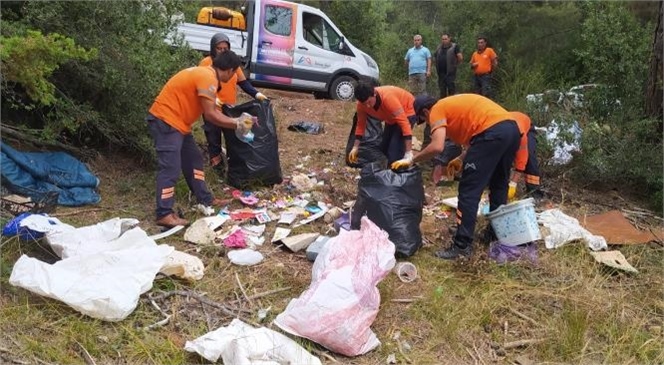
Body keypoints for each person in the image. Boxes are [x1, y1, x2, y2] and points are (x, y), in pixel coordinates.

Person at [397, 94, 520, 260]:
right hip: (511, 130)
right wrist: (460, 159)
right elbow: (479, 134)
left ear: (426, 111)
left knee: (469, 190)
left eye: (424, 119)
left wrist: (412, 159)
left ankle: (462, 245)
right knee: (499, 185)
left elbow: (437, 146)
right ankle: (495, 233)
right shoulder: (454, 107)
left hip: (491, 134)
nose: (429, 124)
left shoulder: (437, 109)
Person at [147, 51, 253, 228]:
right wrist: (237, 124)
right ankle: (164, 213)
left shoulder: (206, 74)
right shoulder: (208, 77)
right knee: (170, 168)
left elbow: (211, 109)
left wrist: (236, 121)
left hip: (179, 124)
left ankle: (205, 199)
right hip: (166, 121)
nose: (234, 77)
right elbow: (211, 115)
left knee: (194, 161)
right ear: (229, 70)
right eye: (234, 73)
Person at [200, 33, 267, 178]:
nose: (222, 51)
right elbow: (201, 84)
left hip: (230, 109)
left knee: (234, 138)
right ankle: (217, 170)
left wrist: (257, 94)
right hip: (213, 108)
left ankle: (235, 168)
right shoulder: (206, 63)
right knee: (214, 139)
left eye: (225, 48)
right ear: (213, 49)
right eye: (219, 48)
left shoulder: (232, 63)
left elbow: (243, 83)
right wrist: (213, 99)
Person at [348, 82, 418, 166]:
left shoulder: (388, 98)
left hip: (407, 111)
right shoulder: (361, 105)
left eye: (369, 102)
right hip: (390, 117)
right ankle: (388, 169)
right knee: (383, 149)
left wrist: (408, 152)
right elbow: (360, 125)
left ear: (374, 94)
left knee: (394, 153)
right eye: (364, 104)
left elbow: (404, 124)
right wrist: (355, 147)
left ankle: (402, 167)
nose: (367, 106)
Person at [509, 111, 543, 199]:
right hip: (510, 123)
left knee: (530, 156)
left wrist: (513, 183)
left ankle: (534, 192)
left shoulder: (520, 135)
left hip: (525, 127)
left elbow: (522, 159)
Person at [434, 33, 463, 98]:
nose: (444, 40)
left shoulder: (454, 46)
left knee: (451, 90)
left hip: (450, 73)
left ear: (449, 39)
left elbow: (460, 57)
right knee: (442, 91)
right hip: (441, 73)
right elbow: (435, 56)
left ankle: (452, 105)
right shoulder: (439, 47)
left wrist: (455, 64)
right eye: (443, 39)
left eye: (445, 39)